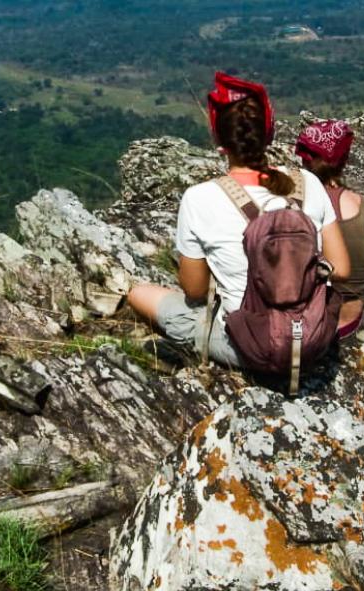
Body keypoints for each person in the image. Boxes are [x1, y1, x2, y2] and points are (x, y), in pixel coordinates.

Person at [127, 71, 350, 368]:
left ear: (220, 140)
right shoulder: (307, 181)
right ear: (268, 133)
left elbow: (194, 291)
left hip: (250, 349)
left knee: (140, 294)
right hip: (312, 339)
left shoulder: (199, 198)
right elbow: (342, 269)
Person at [295, 119, 364, 338]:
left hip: (320, 317)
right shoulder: (357, 201)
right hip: (353, 314)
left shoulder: (302, 205)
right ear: (344, 160)